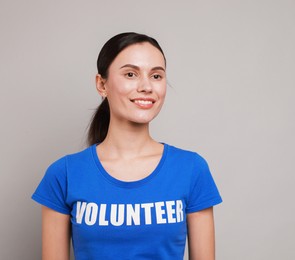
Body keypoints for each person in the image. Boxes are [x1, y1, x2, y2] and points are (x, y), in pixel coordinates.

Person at [32, 32, 222, 260]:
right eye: (131, 74)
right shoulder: (64, 174)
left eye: (156, 76)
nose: (146, 86)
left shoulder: (192, 169)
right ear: (102, 85)